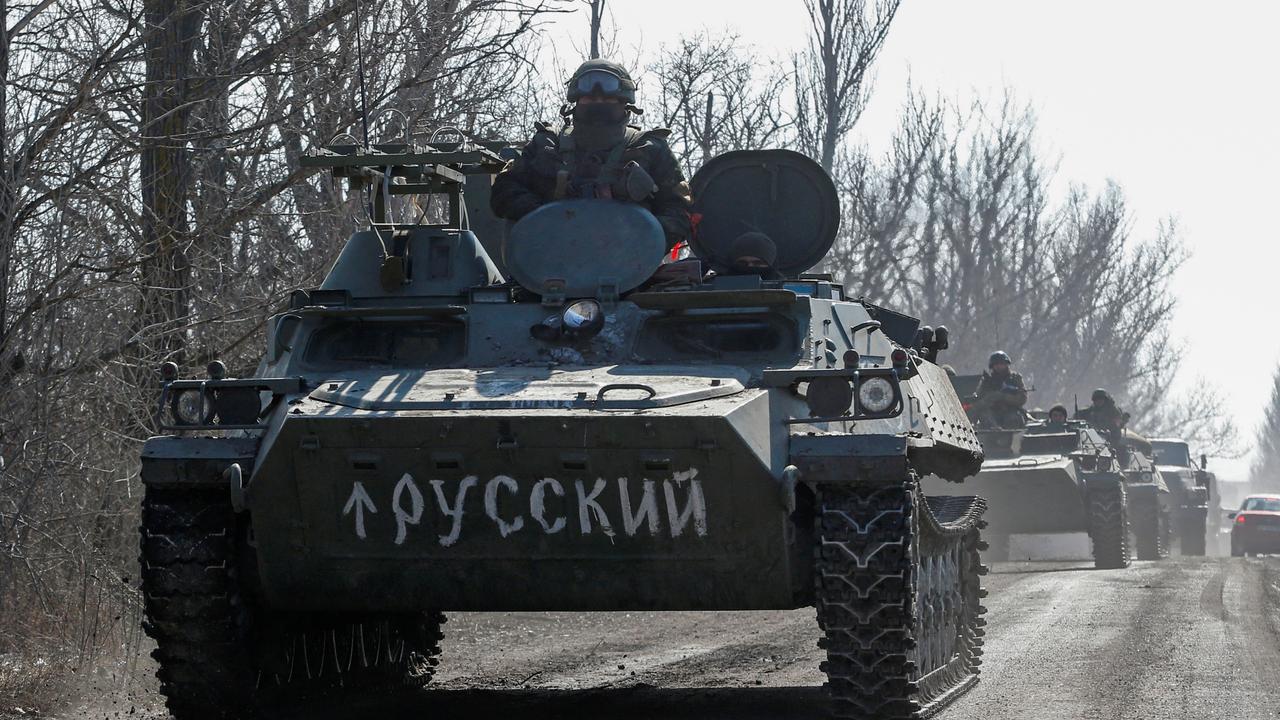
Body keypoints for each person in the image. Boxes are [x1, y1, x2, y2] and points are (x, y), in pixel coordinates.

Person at [489, 59, 693, 249]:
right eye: (590, 98)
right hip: (551, 263)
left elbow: (679, 210)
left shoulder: (649, 149)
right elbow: (504, 192)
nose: (599, 103)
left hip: (630, 266)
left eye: (608, 98)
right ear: (576, 101)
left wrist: (639, 240)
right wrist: (547, 217)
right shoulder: (547, 144)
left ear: (625, 102)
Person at [968, 350, 1028, 429]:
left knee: (1013, 419)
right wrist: (990, 399)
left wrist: (1003, 397)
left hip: (1011, 411)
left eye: (1001, 364)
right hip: (993, 413)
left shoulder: (1015, 378)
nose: (999, 366)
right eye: (996, 364)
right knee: (984, 416)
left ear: (1006, 364)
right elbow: (978, 400)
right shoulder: (987, 381)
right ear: (992, 366)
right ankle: (995, 431)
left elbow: (1022, 398)